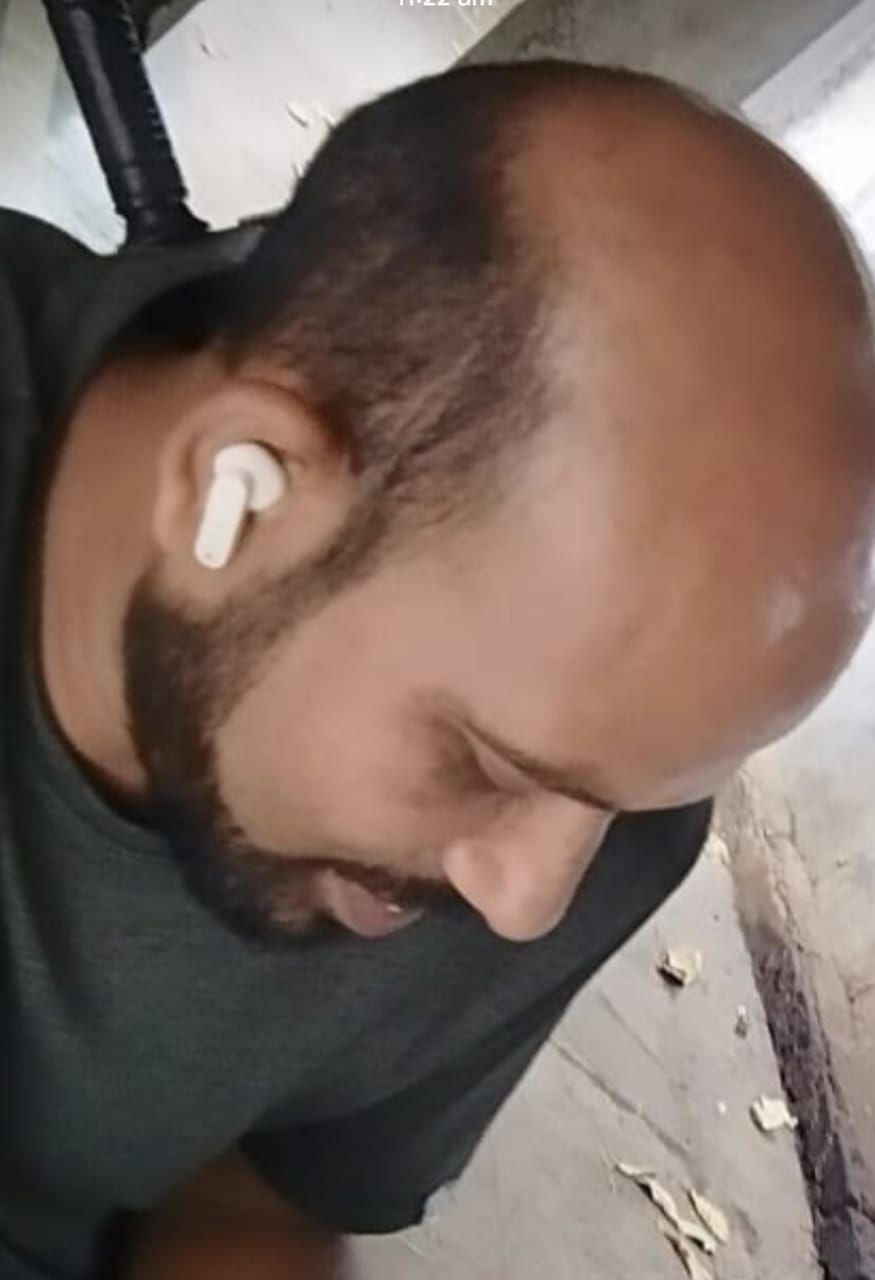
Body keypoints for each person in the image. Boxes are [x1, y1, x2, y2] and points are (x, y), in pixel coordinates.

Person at [1, 58, 873, 1279]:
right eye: (483, 763)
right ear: (237, 488)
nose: (526, 905)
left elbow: (262, 1191)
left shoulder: (609, 828)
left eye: (628, 802)